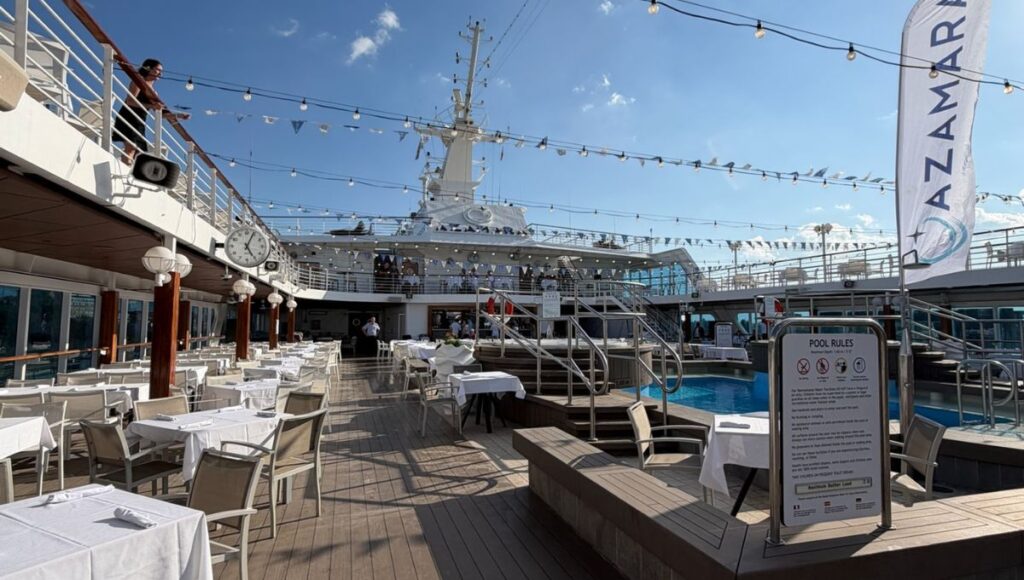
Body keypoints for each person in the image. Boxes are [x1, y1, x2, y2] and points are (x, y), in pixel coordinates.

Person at [112, 59, 190, 165]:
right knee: (131, 148)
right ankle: (124, 169)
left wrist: (179, 115)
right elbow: (130, 101)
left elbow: (160, 113)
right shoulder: (139, 81)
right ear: (148, 68)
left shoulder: (154, 92)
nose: (160, 73)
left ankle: (125, 168)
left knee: (137, 152)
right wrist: (152, 105)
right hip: (129, 116)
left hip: (140, 121)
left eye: (161, 71)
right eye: (158, 70)